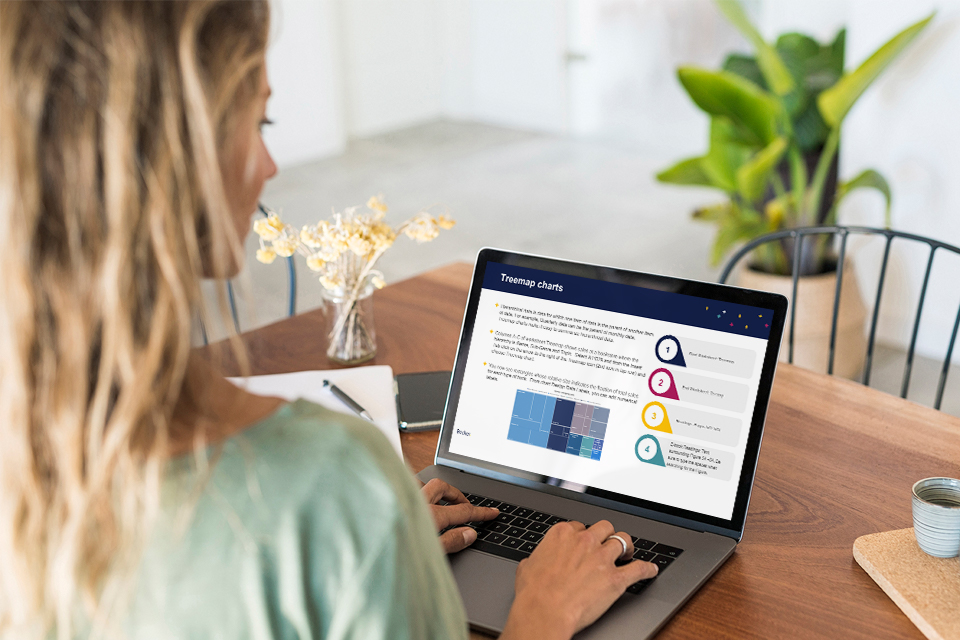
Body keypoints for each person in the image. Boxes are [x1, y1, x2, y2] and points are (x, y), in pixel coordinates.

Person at [0, 2, 658, 639]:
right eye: (260, 123)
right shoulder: (328, 482)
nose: (269, 165)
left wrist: (380, 541)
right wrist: (541, 611)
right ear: (180, 155)